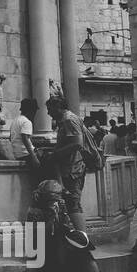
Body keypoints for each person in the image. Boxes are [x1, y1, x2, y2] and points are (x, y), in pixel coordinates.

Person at [27, 179, 108, 272]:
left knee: (85, 253)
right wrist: (51, 218)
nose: (55, 200)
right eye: (51, 197)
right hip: (47, 256)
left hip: (62, 249)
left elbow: (65, 229)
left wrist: (63, 213)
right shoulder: (34, 211)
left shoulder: (62, 205)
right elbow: (36, 240)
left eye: (57, 197)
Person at [44, 95, 88, 233]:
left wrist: (55, 154)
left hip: (73, 169)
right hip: (69, 168)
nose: (48, 113)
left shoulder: (69, 119)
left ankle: (83, 240)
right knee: (70, 203)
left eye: (50, 109)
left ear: (58, 107)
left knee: (73, 203)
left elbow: (77, 143)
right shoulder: (65, 120)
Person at [7, 98, 40, 169]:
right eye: (34, 111)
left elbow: (10, 138)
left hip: (17, 154)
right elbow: (25, 139)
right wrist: (34, 157)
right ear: (31, 111)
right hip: (26, 155)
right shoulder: (27, 122)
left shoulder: (15, 121)